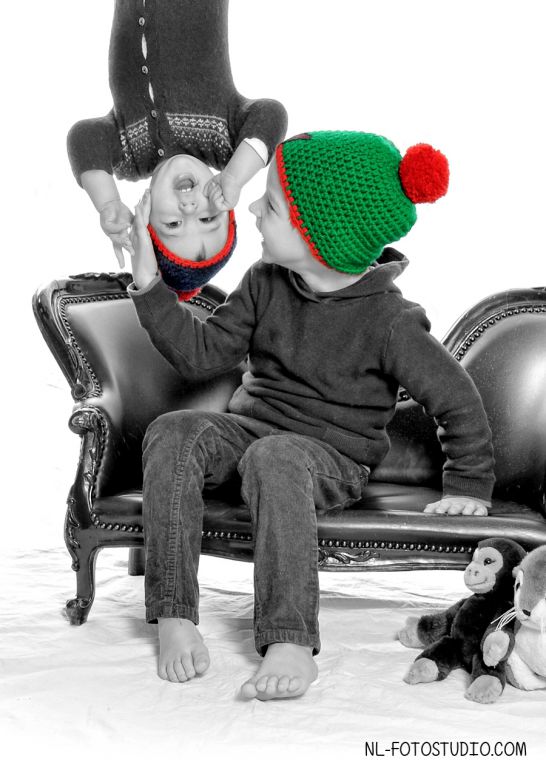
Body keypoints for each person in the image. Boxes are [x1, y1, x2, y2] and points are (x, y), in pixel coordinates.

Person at [127, 131, 495, 700]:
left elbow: (457, 399)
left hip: (332, 458)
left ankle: (289, 640)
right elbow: (201, 354)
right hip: (251, 432)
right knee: (174, 430)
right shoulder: (264, 281)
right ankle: (174, 611)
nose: (252, 208)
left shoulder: (391, 322)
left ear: (321, 236)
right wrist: (148, 281)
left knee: (276, 457)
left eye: (270, 205)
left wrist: (468, 484)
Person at [67, 0, 287, 300]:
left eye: (173, 225)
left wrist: (108, 203)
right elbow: (271, 114)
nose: (190, 208)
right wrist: (235, 176)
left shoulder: (129, 156)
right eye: (209, 220)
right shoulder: (221, 139)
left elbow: (84, 137)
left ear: (146, 220)